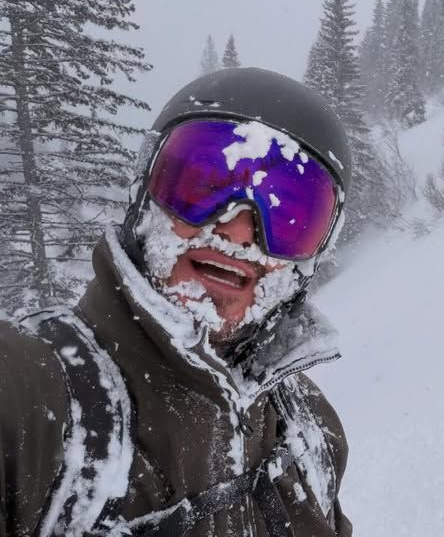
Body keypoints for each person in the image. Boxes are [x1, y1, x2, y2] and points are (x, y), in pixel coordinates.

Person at [0, 68, 354, 536]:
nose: (238, 231)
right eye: (204, 186)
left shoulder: (310, 428)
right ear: (145, 194)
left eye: (288, 214)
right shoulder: (32, 397)